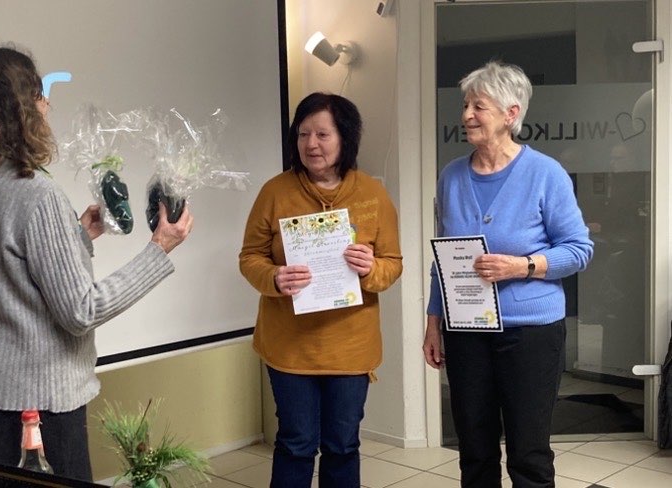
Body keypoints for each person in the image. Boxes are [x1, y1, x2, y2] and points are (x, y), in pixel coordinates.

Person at [0, 45, 194, 487]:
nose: (46, 103)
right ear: (14, 108)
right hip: (33, 412)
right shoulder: (35, 193)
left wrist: (73, 236)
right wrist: (159, 248)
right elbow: (81, 311)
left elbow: (7, 270)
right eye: (37, 93)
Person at [422, 61, 593, 488]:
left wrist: (522, 266)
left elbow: (578, 250)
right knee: (474, 449)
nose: (466, 115)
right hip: (466, 330)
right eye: (465, 105)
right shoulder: (451, 177)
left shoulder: (545, 173)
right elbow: (445, 259)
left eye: (478, 106)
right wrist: (433, 322)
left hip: (530, 331)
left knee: (528, 451)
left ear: (510, 113)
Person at [239, 92, 402, 487]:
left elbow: (393, 263)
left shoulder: (372, 194)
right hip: (290, 347)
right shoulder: (275, 191)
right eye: (303, 134)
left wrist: (370, 269)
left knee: (342, 444)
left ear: (345, 138)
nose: (311, 144)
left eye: (323, 134)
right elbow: (250, 257)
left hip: (351, 348)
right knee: (296, 443)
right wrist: (275, 278)